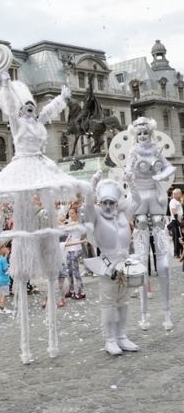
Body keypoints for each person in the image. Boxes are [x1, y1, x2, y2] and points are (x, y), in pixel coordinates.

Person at [124, 116, 176, 330]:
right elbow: (128, 172)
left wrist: (159, 176)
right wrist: (128, 176)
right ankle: (144, 315)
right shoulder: (133, 152)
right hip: (139, 199)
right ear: (136, 136)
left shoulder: (156, 149)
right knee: (142, 265)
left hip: (155, 197)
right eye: (140, 134)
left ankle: (166, 313)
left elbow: (170, 168)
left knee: (163, 265)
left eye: (146, 133)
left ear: (150, 133)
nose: (143, 136)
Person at [84, 172, 144, 355]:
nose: (108, 206)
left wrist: (131, 181)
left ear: (116, 203)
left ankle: (121, 336)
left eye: (111, 202)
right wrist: (93, 184)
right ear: (100, 202)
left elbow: (137, 200)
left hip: (125, 263)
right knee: (108, 303)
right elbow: (87, 205)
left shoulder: (123, 214)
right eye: (105, 202)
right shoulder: (96, 215)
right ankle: (110, 339)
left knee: (123, 301)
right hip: (107, 264)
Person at [64, 207, 87, 300]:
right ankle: (71, 290)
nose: (70, 215)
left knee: (75, 271)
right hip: (69, 248)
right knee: (69, 271)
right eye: (69, 213)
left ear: (77, 214)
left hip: (76, 248)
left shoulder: (79, 224)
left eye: (72, 213)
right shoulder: (70, 223)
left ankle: (81, 291)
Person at [0, 243, 12, 314]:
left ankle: (0, 307)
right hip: (4, 279)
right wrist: (10, 269)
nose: (5, 249)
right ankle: (2, 308)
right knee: (4, 295)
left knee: (1, 294)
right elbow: (5, 269)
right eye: (4, 247)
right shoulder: (3, 259)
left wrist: (7, 255)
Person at [168, 188, 183, 258]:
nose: (181, 195)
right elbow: (174, 211)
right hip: (176, 221)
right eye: (180, 193)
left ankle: (180, 251)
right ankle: (176, 253)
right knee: (177, 237)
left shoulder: (178, 201)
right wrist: (178, 221)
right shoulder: (173, 201)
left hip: (179, 221)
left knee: (180, 237)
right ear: (176, 194)